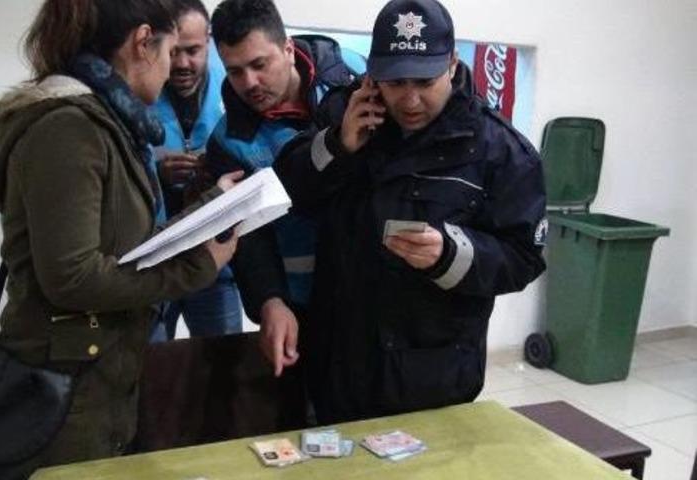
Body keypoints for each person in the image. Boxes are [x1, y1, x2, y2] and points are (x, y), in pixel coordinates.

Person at [0, 0, 241, 473]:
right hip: (67, 385)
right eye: (168, 52)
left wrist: (210, 208)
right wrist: (197, 266)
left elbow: (126, 244)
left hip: (99, 372)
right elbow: (74, 278)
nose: (171, 70)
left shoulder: (102, 124)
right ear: (143, 43)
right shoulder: (69, 127)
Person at [274, 0, 547, 424]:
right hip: (340, 364)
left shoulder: (499, 151)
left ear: (453, 65)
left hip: (432, 375)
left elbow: (523, 258)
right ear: (373, 73)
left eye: (424, 80)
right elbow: (289, 190)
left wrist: (451, 253)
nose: (410, 98)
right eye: (394, 81)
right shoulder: (346, 112)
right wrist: (339, 145)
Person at [206, 0, 366, 377]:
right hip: (302, 306)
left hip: (376, 288)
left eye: (259, 65)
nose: (249, 83)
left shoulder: (357, 76)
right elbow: (249, 235)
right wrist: (269, 301)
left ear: (288, 49)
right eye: (235, 71)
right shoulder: (229, 142)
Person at [148, 0, 243, 341]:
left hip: (215, 262)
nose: (182, 63)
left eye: (193, 50)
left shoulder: (238, 80)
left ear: (210, 40)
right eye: (172, 51)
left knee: (224, 368)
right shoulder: (135, 89)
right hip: (154, 265)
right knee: (149, 374)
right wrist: (156, 174)